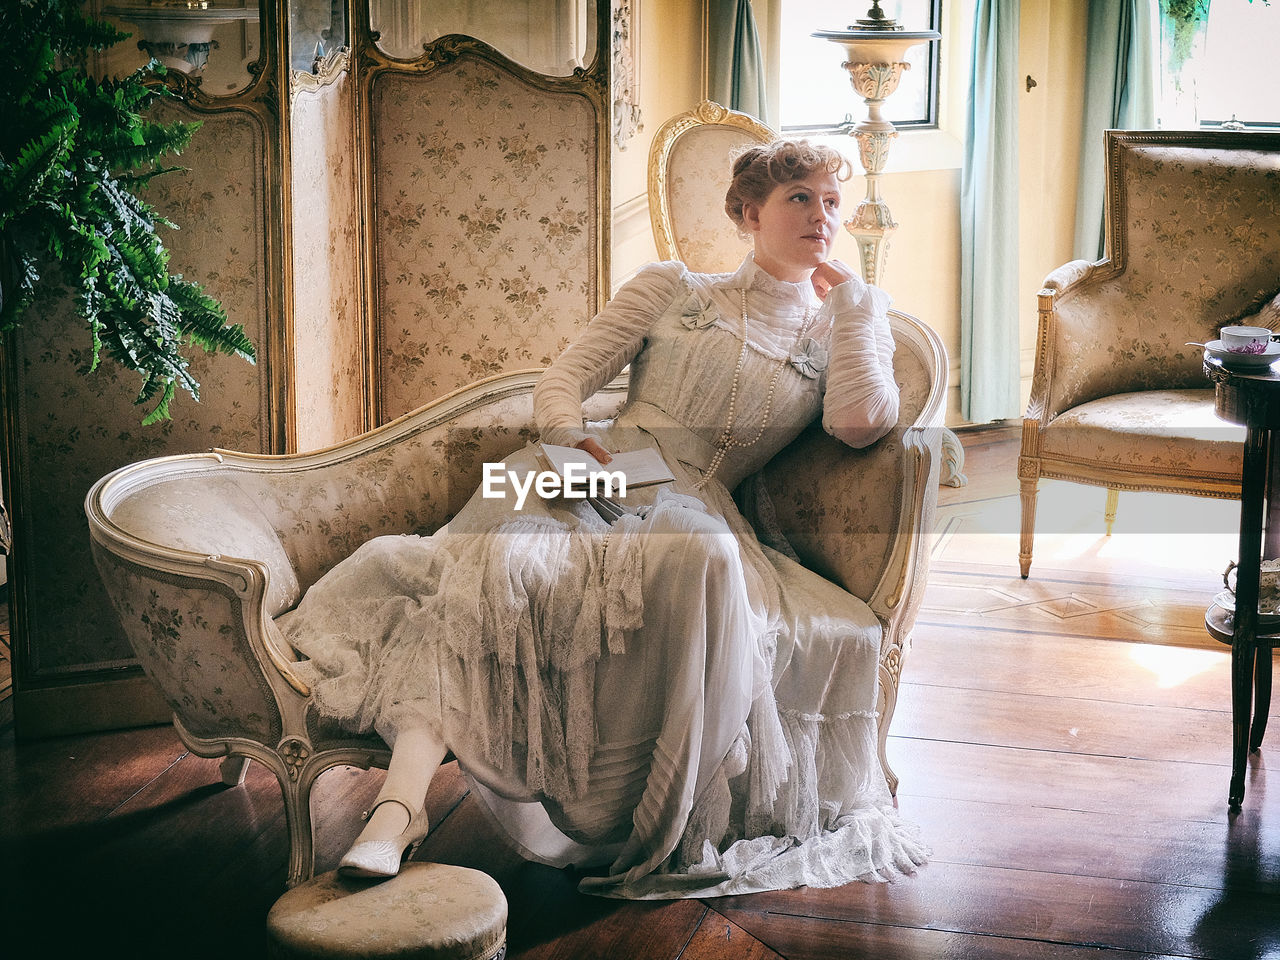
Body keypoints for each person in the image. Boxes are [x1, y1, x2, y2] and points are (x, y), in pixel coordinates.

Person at [278, 139, 928, 898]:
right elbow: (565, 378)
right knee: (497, 580)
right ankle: (397, 810)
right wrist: (570, 440)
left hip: (692, 512)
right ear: (750, 213)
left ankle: (625, 811)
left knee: (690, 557)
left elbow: (859, 422)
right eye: (799, 199)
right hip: (583, 473)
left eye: (830, 203)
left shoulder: (843, 325)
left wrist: (854, 305)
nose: (821, 216)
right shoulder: (673, 289)